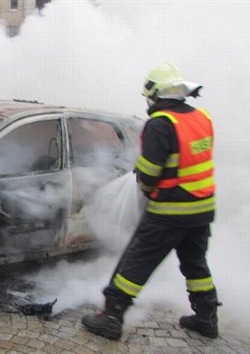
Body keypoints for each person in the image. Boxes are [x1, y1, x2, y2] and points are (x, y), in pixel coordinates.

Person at [82, 62, 219, 340]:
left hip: (169, 211)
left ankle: (111, 317)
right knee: (195, 264)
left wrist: (142, 183)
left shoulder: (160, 124)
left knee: (136, 262)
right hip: (202, 208)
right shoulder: (201, 117)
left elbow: (150, 173)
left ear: (155, 94)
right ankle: (207, 318)